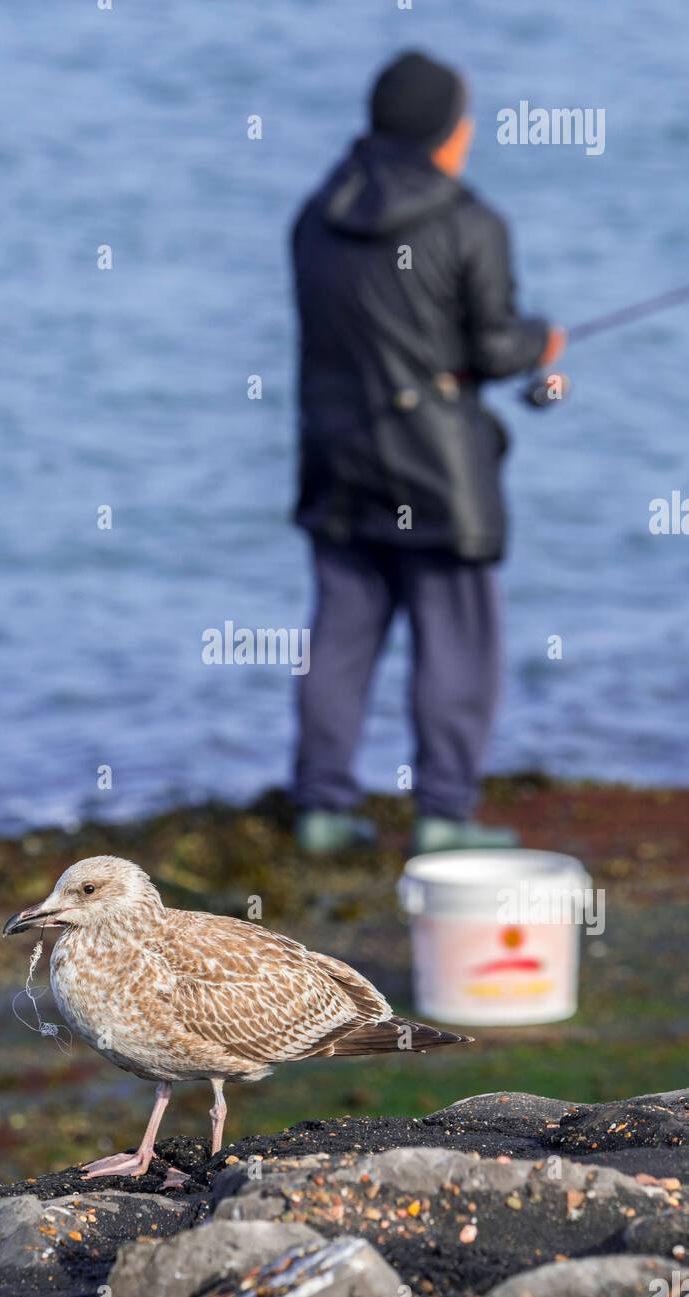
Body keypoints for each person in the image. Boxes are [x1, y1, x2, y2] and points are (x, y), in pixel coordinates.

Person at [290, 50, 564, 856]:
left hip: (337, 460)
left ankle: (320, 810)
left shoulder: (315, 215)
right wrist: (540, 342)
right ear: (443, 131)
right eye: (464, 119)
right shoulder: (470, 223)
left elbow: (366, 338)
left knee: (340, 635)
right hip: (439, 472)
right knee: (458, 640)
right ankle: (444, 813)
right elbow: (491, 346)